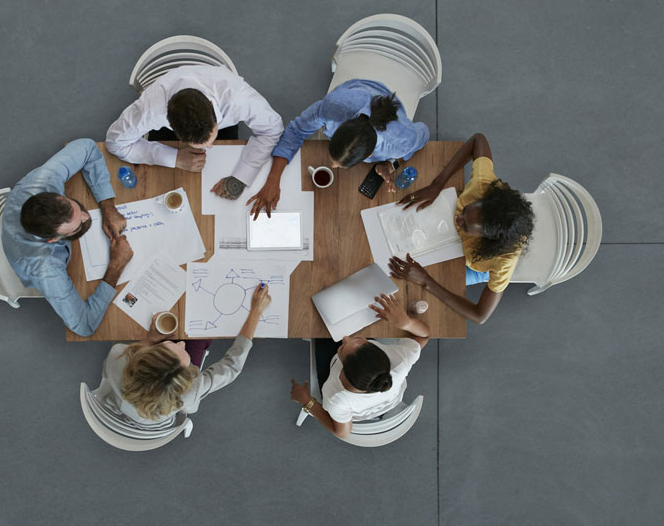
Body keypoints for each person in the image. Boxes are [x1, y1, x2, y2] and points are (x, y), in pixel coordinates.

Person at [389, 132, 534, 324]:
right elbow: (478, 139)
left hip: (474, 263)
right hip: (446, 235)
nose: (458, 219)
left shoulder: (503, 260)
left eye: (466, 225)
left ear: (486, 238)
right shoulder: (483, 186)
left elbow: (480, 315)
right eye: (465, 211)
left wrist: (426, 280)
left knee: (416, 285)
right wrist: (436, 184)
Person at [2, 138, 133, 336]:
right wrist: (116, 266)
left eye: (76, 206)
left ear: (55, 195)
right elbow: (84, 326)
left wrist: (107, 206)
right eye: (78, 225)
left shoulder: (43, 181)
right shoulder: (44, 267)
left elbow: (88, 147)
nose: (86, 215)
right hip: (22, 259)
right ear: (53, 240)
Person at [247, 79, 429, 219]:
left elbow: (424, 133)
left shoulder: (402, 140)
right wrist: (273, 180)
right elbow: (295, 131)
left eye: (339, 164)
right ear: (337, 129)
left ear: (370, 155)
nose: (332, 167)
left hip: (387, 110)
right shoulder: (333, 107)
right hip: (354, 91)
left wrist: (390, 164)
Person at [101, 284, 272, 428]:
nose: (181, 343)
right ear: (189, 377)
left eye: (168, 346)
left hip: (128, 404)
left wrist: (149, 339)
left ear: (144, 355)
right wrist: (256, 312)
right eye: (185, 358)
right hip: (156, 418)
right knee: (200, 333)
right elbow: (231, 367)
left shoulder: (117, 359)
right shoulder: (190, 393)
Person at [104, 65, 283, 200]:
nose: (210, 148)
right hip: (168, 103)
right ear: (171, 126)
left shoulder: (238, 99)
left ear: (212, 107)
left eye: (211, 140)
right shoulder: (150, 109)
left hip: (222, 100)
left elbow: (272, 128)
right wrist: (174, 158)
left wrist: (242, 176)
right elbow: (115, 142)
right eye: (206, 144)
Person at [289, 292, 430, 438]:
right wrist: (406, 323)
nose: (345, 337)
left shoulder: (336, 398)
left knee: (318, 326)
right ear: (378, 351)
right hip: (387, 402)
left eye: (342, 348)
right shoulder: (400, 362)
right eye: (361, 341)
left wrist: (307, 401)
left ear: (342, 371)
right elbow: (423, 335)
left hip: (352, 410)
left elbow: (342, 432)